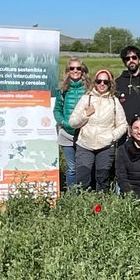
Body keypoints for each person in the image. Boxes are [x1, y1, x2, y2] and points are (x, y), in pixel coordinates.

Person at [67, 68, 128, 191]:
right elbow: (73, 122)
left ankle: (101, 207)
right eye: (99, 81)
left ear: (110, 84)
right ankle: (82, 206)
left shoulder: (114, 102)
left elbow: (123, 125)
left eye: (106, 82)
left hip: (105, 146)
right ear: (94, 82)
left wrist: (112, 137)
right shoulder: (86, 99)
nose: (102, 84)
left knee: (102, 180)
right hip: (85, 145)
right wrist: (85, 114)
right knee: (83, 180)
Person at [53, 58, 89, 190]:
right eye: (72, 68)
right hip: (66, 134)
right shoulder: (62, 89)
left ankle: (84, 193)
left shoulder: (89, 89)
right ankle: (72, 195)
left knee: (83, 167)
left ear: (82, 70)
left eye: (78, 68)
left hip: (83, 134)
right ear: (67, 71)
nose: (75, 71)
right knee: (71, 168)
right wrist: (63, 122)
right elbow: (57, 110)